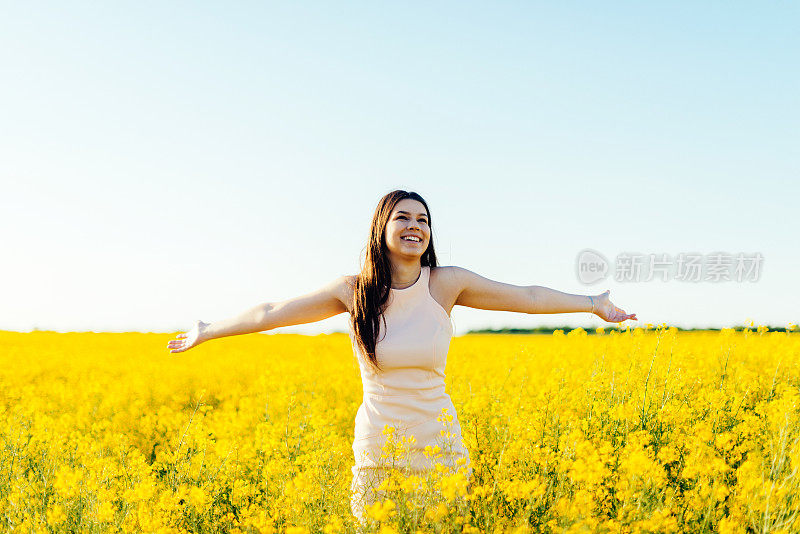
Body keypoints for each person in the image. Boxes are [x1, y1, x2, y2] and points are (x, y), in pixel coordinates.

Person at [166, 189, 637, 522]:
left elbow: (527, 296)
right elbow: (272, 312)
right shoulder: (354, 292)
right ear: (382, 227)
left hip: (440, 443)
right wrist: (208, 331)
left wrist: (591, 303)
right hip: (378, 445)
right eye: (404, 219)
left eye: (423, 220)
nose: (415, 228)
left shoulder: (447, 283)